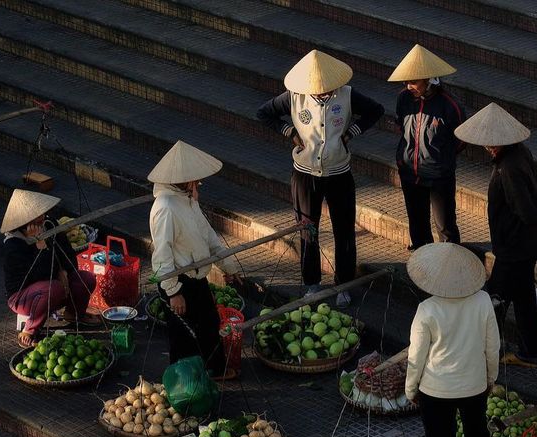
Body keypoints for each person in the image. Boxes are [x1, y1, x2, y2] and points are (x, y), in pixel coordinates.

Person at [257, 49, 384, 308]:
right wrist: (289, 131)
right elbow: (264, 113)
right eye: (317, 89)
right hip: (304, 176)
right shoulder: (294, 97)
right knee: (308, 231)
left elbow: (376, 110)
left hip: (340, 174)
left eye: (326, 89)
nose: (322, 93)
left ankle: (344, 285)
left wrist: (351, 133)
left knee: (344, 230)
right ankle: (311, 284)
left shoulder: (347, 95)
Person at [454, 103, 537, 368]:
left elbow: (526, 210)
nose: (488, 147)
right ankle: (529, 351)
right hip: (527, 244)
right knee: (524, 296)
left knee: (494, 299)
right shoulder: (521, 153)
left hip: (514, 247)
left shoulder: (509, 168)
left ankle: (482, 352)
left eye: (493, 143)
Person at [405, 243, 501, 437]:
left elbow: (416, 357)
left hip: (436, 390)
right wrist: (490, 378)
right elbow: (492, 347)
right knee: (477, 436)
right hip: (474, 385)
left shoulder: (427, 309)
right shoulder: (482, 301)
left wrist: (411, 389)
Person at [148, 140, 240, 377]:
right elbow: (162, 255)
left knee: (209, 324)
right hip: (178, 280)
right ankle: (185, 385)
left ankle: (215, 369)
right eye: (195, 180)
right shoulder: (166, 207)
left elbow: (208, 237)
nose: (198, 184)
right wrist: (173, 291)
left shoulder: (188, 201)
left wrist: (229, 266)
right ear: (185, 180)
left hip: (197, 277)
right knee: (182, 337)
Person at [389, 44, 465, 250]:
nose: (408, 86)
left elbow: (460, 140)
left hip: (439, 175)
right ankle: (422, 257)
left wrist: (441, 157)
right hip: (409, 173)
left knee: (445, 225)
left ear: (429, 80)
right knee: (417, 222)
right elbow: (400, 126)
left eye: (413, 81)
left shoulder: (450, 105)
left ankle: (450, 260)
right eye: (406, 81)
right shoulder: (403, 98)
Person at [2, 189, 96, 348]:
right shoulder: (14, 245)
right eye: (37, 216)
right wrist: (40, 245)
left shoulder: (50, 224)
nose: (42, 218)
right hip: (25, 295)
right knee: (53, 288)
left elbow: (68, 254)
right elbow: (40, 275)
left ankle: (74, 314)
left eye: (42, 214)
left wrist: (64, 270)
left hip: (56, 284)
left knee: (85, 278)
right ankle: (30, 329)